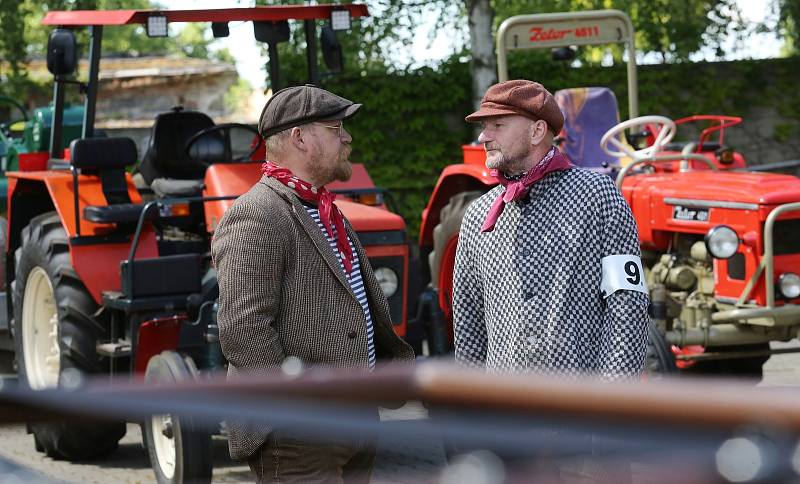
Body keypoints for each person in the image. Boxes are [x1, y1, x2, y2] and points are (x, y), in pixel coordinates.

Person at [212, 84, 414, 483]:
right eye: (336, 126)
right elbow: (242, 330)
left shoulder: (327, 211)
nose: (347, 136)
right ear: (300, 137)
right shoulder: (257, 214)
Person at [452, 79, 649, 380]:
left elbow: (627, 305)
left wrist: (614, 401)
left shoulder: (598, 197)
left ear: (537, 131)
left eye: (498, 125)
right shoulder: (477, 215)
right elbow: (469, 324)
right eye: (484, 126)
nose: (483, 136)